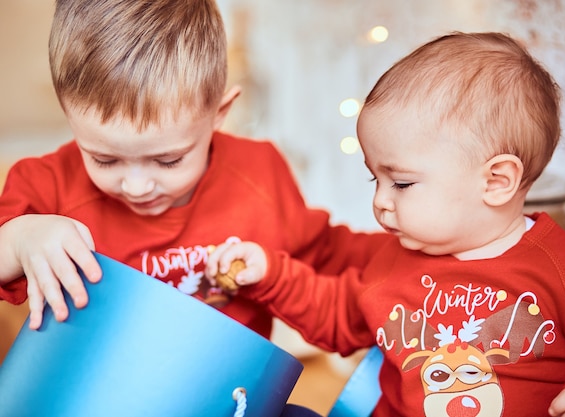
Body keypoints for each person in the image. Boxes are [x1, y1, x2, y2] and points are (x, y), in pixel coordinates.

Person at [206, 32, 565, 416]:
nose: (380, 201)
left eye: (402, 183)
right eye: (377, 179)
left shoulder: (564, 272)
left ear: (497, 182)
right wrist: (271, 274)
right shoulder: (395, 262)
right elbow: (336, 314)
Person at [0, 0, 389, 339]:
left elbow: (328, 253)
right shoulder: (47, 187)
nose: (136, 186)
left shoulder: (258, 172)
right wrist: (20, 241)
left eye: (168, 160)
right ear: (70, 115)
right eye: (105, 159)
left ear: (219, 114)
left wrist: (428, 249)